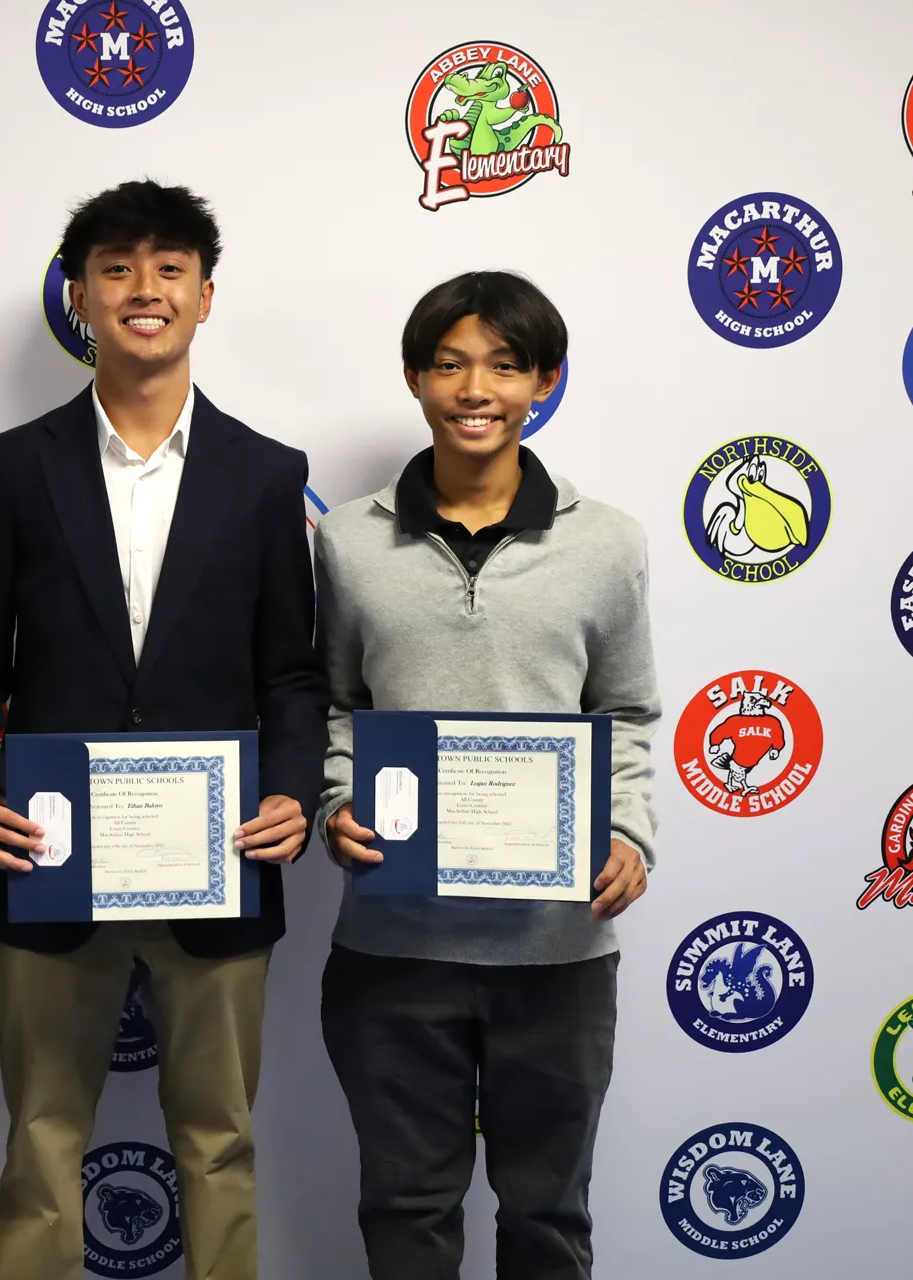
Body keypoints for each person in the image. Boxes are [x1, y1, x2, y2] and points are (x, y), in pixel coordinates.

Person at [0, 180, 327, 1280]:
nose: (143, 288)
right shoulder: (13, 464)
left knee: (219, 1140)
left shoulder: (265, 472)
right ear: (80, 297)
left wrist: (292, 785)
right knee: (43, 1139)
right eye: (116, 267)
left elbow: (291, 672)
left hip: (221, 857)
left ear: (205, 297)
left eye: (168, 270)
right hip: (46, 859)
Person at [314, 271, 659, 1279]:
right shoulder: (347, 539)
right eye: (452, 363)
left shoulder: (609, 542)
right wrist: (339, 797)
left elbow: (628, 710)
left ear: (544, 381)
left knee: (549, 1213)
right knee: (406, 1206)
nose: (478, 387)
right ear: (417, 379)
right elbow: (335, 702)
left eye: (506, 365)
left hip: (556, 950)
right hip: (394, 942)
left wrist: (631, 833)